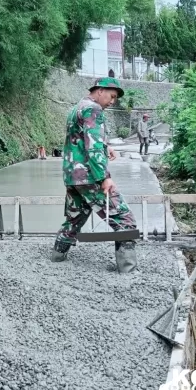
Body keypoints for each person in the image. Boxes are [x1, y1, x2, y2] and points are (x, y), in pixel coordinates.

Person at [52, 77, 138, 273]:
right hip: (90, 176)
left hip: (72, 175)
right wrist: (104, 177)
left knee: (75, 218)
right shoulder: (94, 110)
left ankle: (57, 257)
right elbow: (94, 146)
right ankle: (129, 270)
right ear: (100, 90)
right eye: (112, 96)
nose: (113, 101)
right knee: (124, 219)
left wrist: (106, 146)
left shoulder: (77, 108)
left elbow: (79, 139)